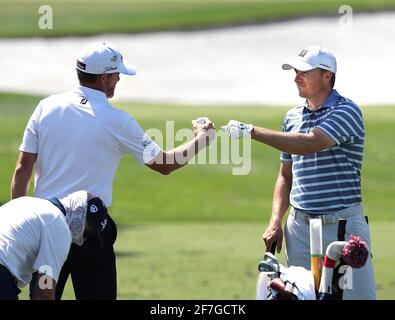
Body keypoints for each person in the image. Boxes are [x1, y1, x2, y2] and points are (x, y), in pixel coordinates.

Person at [11, 42, 215, 300]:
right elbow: (164, 164)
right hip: (90, 230)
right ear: (104, 78)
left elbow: (22, 169)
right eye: (116, 74)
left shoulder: (45, 107)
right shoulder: (117, 121)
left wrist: (20, 223)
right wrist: (202, 139)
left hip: (46, 229)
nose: (119, 78)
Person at [222, 45, 375, 299]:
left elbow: (308, 144)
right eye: (295, 71)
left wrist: (251, 131)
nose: (296, 77)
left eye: (304, 71)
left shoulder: (347, 111)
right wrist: (275, 221)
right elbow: (286, 175)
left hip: (342, 228)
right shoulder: (292, 117)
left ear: (327, 75)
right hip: (300, 230)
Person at [0, 190, 108, 300]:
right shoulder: (60, 229)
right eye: (87, 229)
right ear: (78, 210)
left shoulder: (25, 202)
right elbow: (44, 293)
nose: (84, 237)